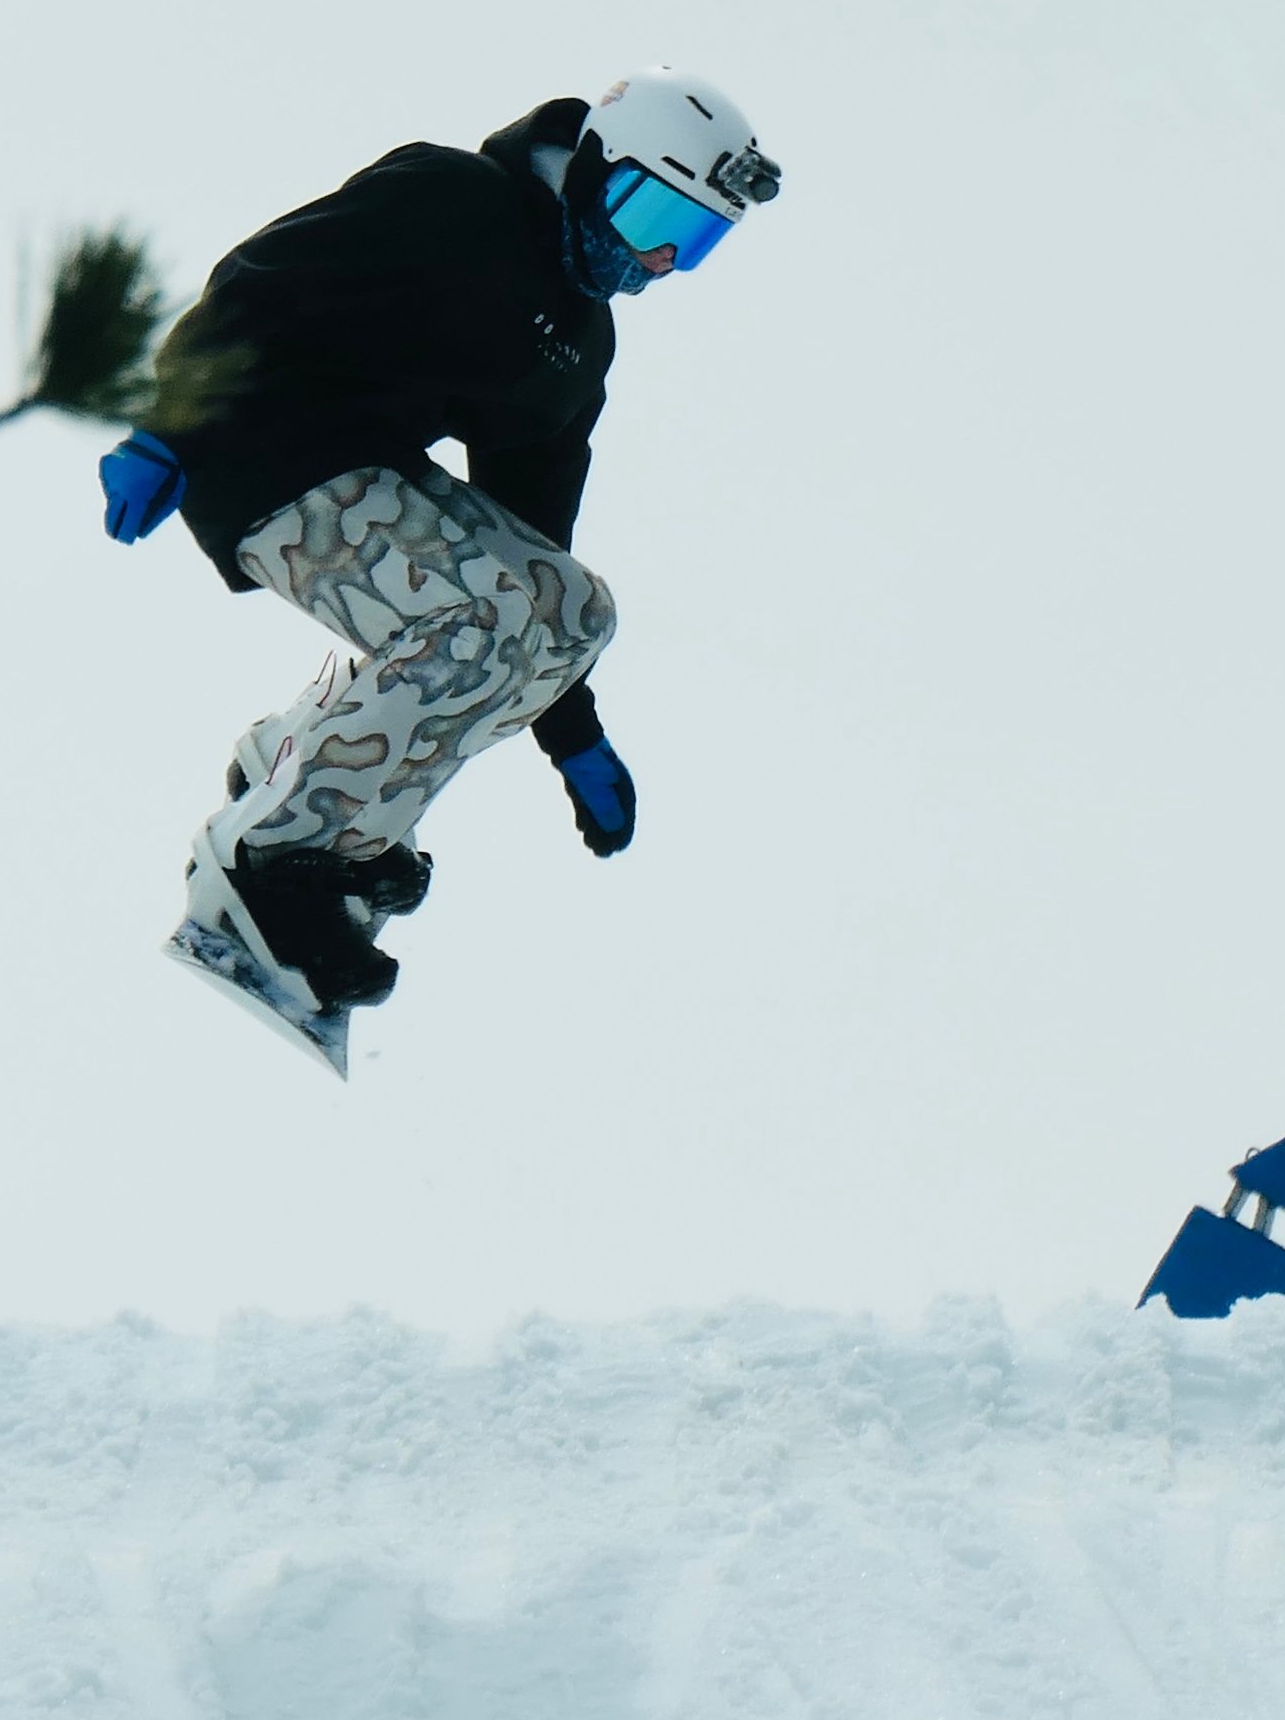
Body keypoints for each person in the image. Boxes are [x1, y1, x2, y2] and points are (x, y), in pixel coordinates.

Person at [96, 68, 781, 1016]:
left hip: (370, 479)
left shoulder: (576, 347)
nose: (657, 256)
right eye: (650, 210)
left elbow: (535, 537)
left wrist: (570, 731)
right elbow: (266, 280)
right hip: (261, 449)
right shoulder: (453, 197)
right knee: (482, 614)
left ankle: (312, 783)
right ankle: (275, 863)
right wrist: (167, 429)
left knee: (574, 610)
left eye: (692, 239)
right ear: (594, 165)